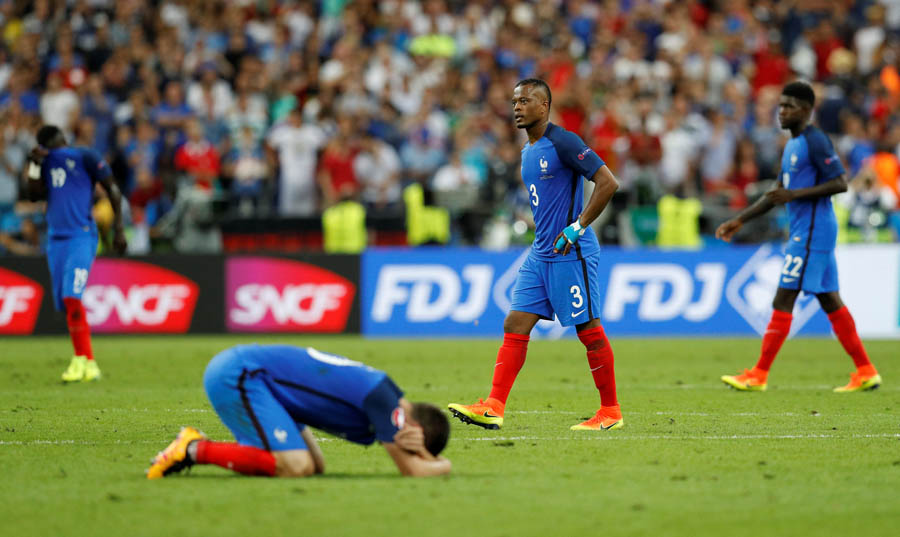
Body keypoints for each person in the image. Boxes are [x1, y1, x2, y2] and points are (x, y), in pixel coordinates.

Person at [447, 78, 623, 431]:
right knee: (514, 323)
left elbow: (608, 182)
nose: (517, 107)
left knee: (587, 328)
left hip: (571, 251)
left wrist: (578, 226)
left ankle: (611, 411)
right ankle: (494, 406)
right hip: (541, 251)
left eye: (525, 101)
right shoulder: (529, 151)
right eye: (514, 101)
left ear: (544, 106)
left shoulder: (563, 142)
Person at [716, 81, 881, 393]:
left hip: (812, 232)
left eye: (789, 106)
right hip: (809, 231)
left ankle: (759, 374)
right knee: (829, 298)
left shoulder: (815, 141)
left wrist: (796, 194)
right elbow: (776, 194)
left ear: (806, 110)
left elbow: (841, 183)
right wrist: (740, 219)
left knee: (784, 297)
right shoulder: (792, 145)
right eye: (780, 105)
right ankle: (866, 370)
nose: (782, 111)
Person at [147, 344, 451, 479]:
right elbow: (412, 472)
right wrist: (437, 463)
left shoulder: (385, 392)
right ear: (414, 429)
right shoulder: (388, 404)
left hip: (264, 384)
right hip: (241, 373)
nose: (406, 448)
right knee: (295, 466)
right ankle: (193, 448)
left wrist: (423, 455)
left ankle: (197, 448)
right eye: (414, 447)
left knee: (313, 466)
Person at [26, 125, 126, 382]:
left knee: (72, 296)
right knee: (65, 303)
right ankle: (89, 363)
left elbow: (112, 189)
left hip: (81, 236)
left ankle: (80, 359)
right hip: (56, 239)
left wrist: (118, 229)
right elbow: (34, 195)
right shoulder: (44, 162)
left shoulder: (86, 156)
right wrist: (35, 166)